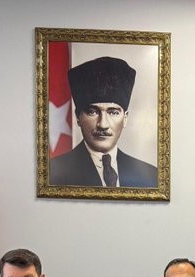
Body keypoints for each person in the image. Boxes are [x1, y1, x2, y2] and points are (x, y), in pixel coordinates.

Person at [49, 56, 157, 188]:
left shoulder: (151, 176)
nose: (103, 125)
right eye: (92, 112)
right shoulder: (53, 174)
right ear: (78, 117)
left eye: (113, 112)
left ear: (125, 118)